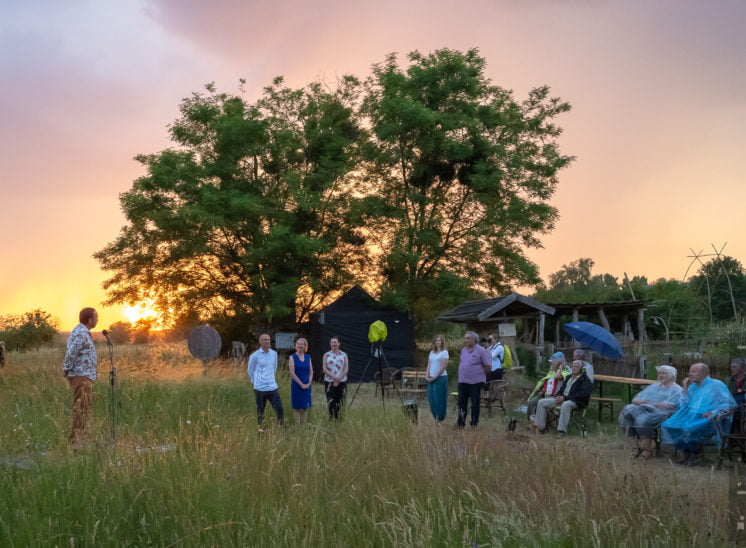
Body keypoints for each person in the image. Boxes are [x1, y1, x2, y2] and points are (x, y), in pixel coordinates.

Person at [661, 362, 736, 465]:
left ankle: (696, 454)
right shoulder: (692, 387)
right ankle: (687, 453)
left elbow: (729, 404)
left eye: (694, 371)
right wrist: (685, 388)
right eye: (690, 371)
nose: (690, 374)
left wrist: (713, 412)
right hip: (690, 417)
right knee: (669, 425)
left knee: (688, 428)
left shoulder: (716, 385)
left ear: (703, 374)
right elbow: (682, 406)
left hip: (709, 420)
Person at [618, 365, 682, 460]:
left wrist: (649, 403)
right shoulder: (654, 387)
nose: (661, 375)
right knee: (626, 412)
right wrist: (642, 403)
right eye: (659, 373)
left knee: (642, 419)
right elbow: (635, 399)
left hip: (664, 413)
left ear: (672, 376)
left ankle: (647, 449)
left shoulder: (677, 390)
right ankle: (634, 447)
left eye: (664, 373)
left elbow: (670, 405)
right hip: (643, 409)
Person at [62, 307, 99, 448]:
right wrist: (66, 369)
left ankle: (80, 438)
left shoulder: (83, 332)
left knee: (84, 407)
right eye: (96, 317)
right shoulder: (80, 333)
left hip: (85, 375)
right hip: (80, 376)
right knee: (81, 408)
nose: (97, 320)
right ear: (90, 319)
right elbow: (72, 352)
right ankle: (77, 442)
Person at [533, 359, 593, 438]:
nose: (574, 368)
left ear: (582, 369)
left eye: (577, 367)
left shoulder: (585, 380)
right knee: (541, 402)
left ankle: (561, 431)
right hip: (563, 398)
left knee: (566, 404)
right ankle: (540, 428)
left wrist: (565, 398)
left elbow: (582, 394)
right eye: (573, 366)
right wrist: (558, 395)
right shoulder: (568, 377)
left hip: (576, 401)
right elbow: (561, 390)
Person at [248, 333, 285, 432]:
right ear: (260, 342)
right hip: (259, 388)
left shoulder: (274, 354)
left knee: (279, 409)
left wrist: (270, 378)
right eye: (264, 340)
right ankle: (261, 429)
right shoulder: (255, 356)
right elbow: (250, 370)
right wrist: (256, 381)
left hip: (272, 387)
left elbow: (274, 368)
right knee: (260, 411)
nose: (267, 341)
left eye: (268, 339)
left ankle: (280, 428)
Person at [456, 331, 491, 428]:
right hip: (463, 381)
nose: (465, 340)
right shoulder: (463, 350)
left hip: (476, 382)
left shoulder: (481, 350)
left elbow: (488, 366)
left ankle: (474, 423)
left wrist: (479, 376)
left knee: (475, 403)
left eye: (468, 338)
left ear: (475, 340)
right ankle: (461, 423)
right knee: (461, 402)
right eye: (465, 338)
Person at [526, 352, 571, 424]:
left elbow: (557, 377)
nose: (552, 364)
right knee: (532, 402)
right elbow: (548, 382)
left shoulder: (565, 371)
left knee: (539, 403)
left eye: (553, 362)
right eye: (551, 362)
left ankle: (539, 425)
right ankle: (531, 422)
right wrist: (542, 390)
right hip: (545, 394)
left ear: (560, 363)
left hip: (555, 396)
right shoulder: (552, 371)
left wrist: (560, 367)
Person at [323, 336, 349, 420]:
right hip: (330, 381)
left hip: (342, 381)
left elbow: (346, 369)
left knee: (340, 400)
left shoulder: (344, 355)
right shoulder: (326, 355)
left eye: (335, 342)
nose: (333, 344)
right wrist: (334, 378)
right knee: (331, 400)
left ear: (339, 343)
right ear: (330, 344)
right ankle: (331, 418)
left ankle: (340, 419)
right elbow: (324, 368)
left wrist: (339, 378)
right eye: (332, 342)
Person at [288, 337, 313, 425]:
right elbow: (292, 373)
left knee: (305, 407)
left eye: (302, 344)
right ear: (295, 345)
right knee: (297, 407)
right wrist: (301, 384)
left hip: (307, 385)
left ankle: (304, 427)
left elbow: (311, 371)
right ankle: (297, 428)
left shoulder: (308, 357)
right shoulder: (292, 357)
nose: (300, 345)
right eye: (298, 344)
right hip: (297, 385)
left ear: (305, 346)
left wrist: (309, 383)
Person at [426, 334, 449, 422]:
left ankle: (440, 419)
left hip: (440, 378)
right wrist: (427, 376)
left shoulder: (444, 352)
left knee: (439, 398)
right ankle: (435, 417)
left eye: (439, 340)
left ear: (442, 341)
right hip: (431, 378)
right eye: (436, 340)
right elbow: (429, 365)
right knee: (432, 399)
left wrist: (435, 377)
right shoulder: (431, 352)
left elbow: (443, 367)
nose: (437, 342)